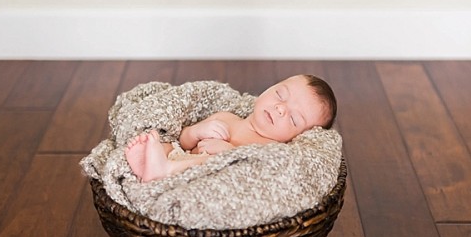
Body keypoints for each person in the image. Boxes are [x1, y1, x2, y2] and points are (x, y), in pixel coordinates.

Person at [125, 74, 337, 182]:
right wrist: (197, 131)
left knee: (208, 162)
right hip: (183, 158)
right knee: (168, 145)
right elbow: (184, 141)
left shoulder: (272, 149)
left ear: (300, 136)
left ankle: (163, 171)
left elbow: (255, 171)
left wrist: (229, 153)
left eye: (293, 119)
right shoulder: (227, 118)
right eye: (280, 95)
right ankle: (150, 162)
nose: (281, 109)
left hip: (205, 178)